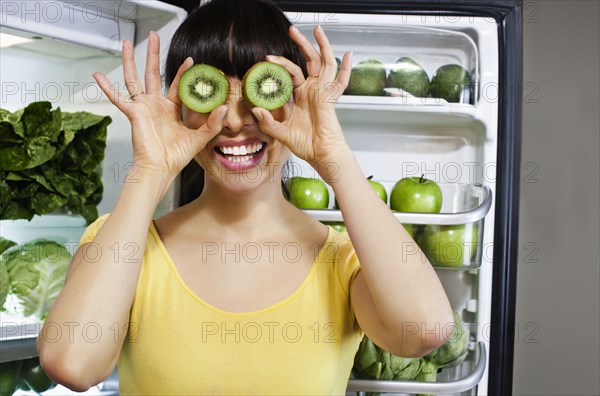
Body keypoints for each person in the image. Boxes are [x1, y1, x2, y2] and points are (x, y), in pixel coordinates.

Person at [38, 0, 453, 394]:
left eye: (260, 91)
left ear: (295, 99)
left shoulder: (342, 261)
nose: (235, 121)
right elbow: (73, 365)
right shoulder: (124, 246)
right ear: (178, 106)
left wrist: (334, 157)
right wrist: (149, 172)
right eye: (211, 90)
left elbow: (423, 331)